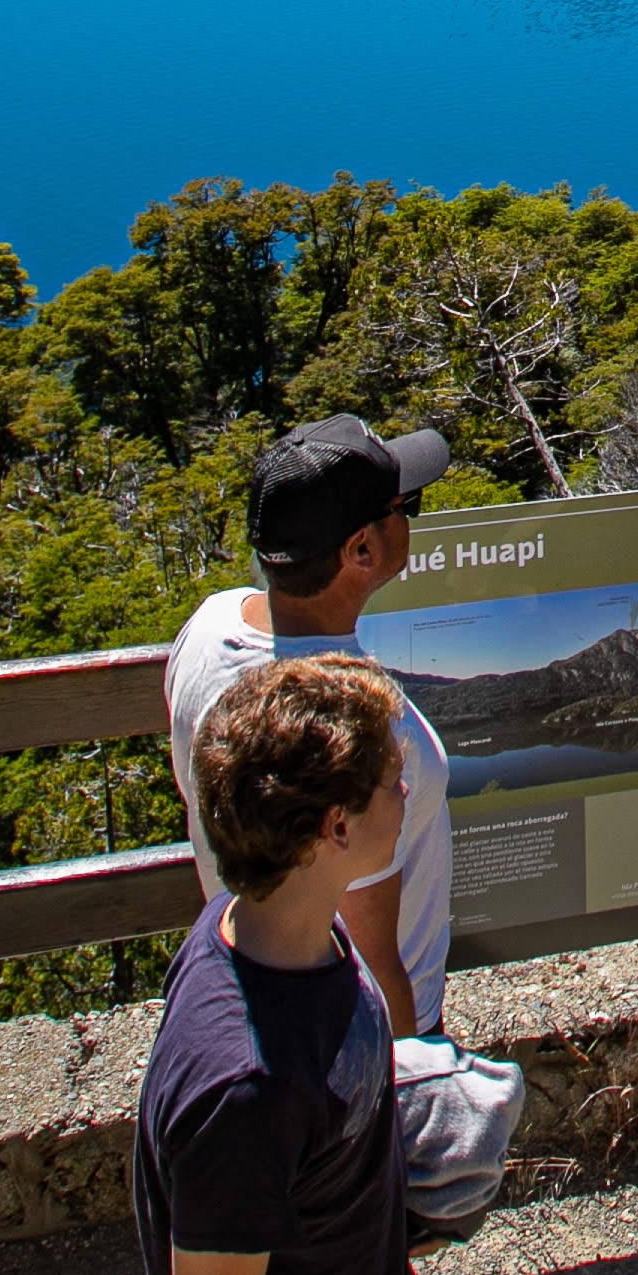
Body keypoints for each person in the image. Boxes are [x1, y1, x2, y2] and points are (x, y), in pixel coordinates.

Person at [137, 653, 427, 1275]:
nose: (405, 792)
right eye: (391, 780)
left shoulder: (274, 927)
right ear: (337, 827)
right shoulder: (245, 1095)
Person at [168, 417, 460, 1043]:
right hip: (358, 1035)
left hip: (252, 987)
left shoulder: (208, 626)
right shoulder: (359, 732)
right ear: (361, 550)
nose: (410, 516)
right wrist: (411, 1073)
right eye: (404, 506)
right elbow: (368, 958)